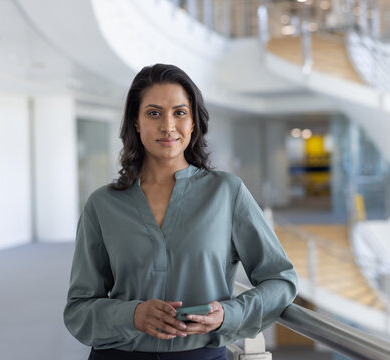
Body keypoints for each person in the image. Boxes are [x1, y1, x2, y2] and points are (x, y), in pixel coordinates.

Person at [63, 64, 298, 360]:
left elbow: (280, 280)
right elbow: (78, 310)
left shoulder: (226, 192)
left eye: (180, 112)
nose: (168, 126)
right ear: (135, 122)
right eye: (153, 113)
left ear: (194, 123)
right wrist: (132, 315)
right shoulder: (102, 204)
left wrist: (228, 314)